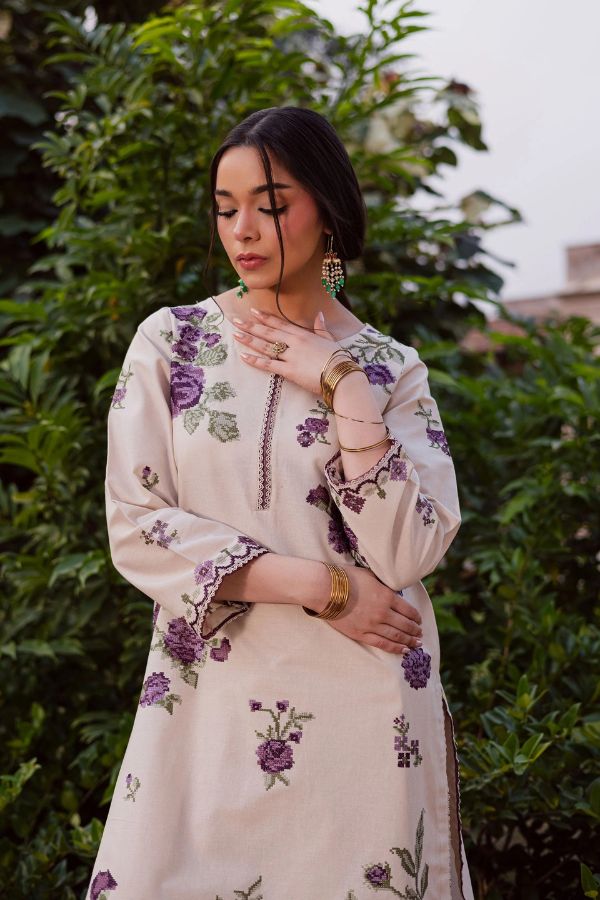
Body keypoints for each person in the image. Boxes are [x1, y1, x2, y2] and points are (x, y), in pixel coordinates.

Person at [86, 105, 475, 900]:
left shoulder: (391, 370)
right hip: (211, 706)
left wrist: (343, 383)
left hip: (365, 711)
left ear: (327, 207)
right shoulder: (173, 341)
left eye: (270, 204)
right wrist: (322, 587)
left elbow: (406, 553)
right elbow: (136, 524)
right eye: (227, 209)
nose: (244, 230)